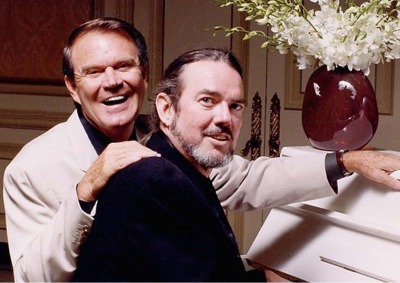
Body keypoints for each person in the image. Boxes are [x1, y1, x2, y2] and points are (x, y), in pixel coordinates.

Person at [3, 17, 400, 282]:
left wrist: (346, 161)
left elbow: (247, 179)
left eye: (124, 67)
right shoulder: (33, 166)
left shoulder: (166, 135)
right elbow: (34, 276)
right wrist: (85, 191)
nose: (113, 81)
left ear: (143, 75)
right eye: (93, 72)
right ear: (72, 86)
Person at [73, 47, 268, 282]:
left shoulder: (178, 169)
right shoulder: (157, 180)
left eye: (235, 106)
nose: (225, 118)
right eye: (207, 101)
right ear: (166, 109)